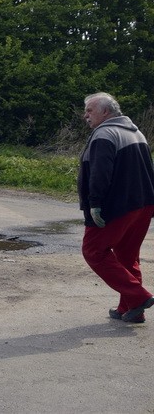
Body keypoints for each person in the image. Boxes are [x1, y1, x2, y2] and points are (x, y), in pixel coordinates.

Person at [78, 92, 154, 323]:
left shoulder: (104, 134)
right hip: (142, 206)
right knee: (127, 257)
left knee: (93, 251)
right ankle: (131, 310)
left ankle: (139, 297)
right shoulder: (136, 132)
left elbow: (100, 173)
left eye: (90, 111)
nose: (86, 116)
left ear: (106, 112)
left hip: (116, 208)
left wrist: (95, 204)